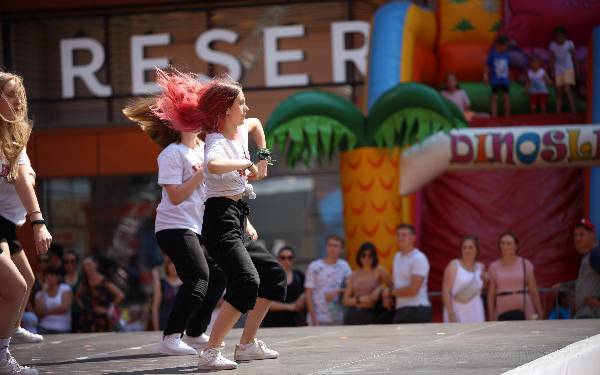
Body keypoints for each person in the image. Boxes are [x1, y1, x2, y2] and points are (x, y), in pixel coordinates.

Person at [153, 72, 285, 370]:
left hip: (238, 218)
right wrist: (247, 163)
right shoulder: (214, 141)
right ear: (226, 109)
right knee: (246, 281)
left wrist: (263, 157)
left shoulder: (238, 131)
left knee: (273, 275)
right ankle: (210, 351)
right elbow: (212, 165)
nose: (246, 108)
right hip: (220, 220)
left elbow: (257, 125)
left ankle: (247, 345)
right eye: (241, 103)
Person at [0, 70, 53, 375]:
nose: (18, 100)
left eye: (19, 94)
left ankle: (10, 332)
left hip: (6, 221)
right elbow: (21, 178)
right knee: (16, 287)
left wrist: (37, 221)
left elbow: (24, 177)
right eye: (9, 94)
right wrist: (38, 222)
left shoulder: (14, 138)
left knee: (24, 283)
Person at [487, 231, 544, 321]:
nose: (505, 246)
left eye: (509, 243)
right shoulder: (493, 266)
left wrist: (540, 312)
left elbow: (533, 290)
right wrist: (491, 317)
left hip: (525, 309)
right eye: (503, 243)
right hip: (503, 310)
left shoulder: (525, 264)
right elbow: (491, 295)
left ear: (516, 246)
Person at [383, 224, 431, 323]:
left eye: (404, 235)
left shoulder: (419, 258)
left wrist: (389, 292)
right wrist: (387, 295)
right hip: (401, 308)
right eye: (398, 235)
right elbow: (398, 283)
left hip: (417, 308)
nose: (400, 238)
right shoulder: (397, 257)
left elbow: (413, 290)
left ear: (413, 238)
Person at [554, 219, 600, 319]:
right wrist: (564, 285)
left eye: (581, 235)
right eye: (575, 235)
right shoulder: (588, 256)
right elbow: (585, 282)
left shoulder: (596, 254)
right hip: (585, 315)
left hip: (593, 317)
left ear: (592, 234)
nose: (577, 239)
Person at [305, 235, 352, 326]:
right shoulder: (314, 266)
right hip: (317, 318)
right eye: (330, 245)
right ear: (326, 247)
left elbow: (351, 287)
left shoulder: (344, 265)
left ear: (341, 249)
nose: (332, 248)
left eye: (335, 246)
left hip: (337, 317)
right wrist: (314, 319)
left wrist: (338, 291)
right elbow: (308, 294)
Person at [342, 242, 392, 325]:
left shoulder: (379, 270)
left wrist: (380, 289)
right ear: (359, 256)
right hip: (353, 313)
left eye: (370, 255)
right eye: (363, 255)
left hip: (372, 313)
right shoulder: (354, 275)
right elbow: (345, 300)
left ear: (374, 257)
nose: (366, 258)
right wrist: (361, 299)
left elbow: (392, 287)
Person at [442, 236, 487, 323]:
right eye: (464, 247)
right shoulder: (454, 265)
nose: (467, 250)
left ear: (476, 250)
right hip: (457, 309)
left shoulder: (481, 267)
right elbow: (446, 291)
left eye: (470, 247)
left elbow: (481, 291)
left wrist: (485, 281)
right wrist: (451, 314)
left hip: (476, 309)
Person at [76, 256, 124, 332]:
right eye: (84, 266)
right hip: (87, 319)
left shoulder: (104, 281)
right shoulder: (84, 282)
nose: (87, 268)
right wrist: (83, 306)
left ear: (96, 265)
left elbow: (120, 295)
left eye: (89, 265)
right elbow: (77, 296)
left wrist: (108, 309)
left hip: (102, 319)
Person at [262, 246, 306, 327]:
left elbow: (307, 292)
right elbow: (264, 302)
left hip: (295, 324)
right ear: (278, 259)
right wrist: (290, 307)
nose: (286, 260)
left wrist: (302, 298)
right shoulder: (271, 277)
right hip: (272, 325)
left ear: (293, 260)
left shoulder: (299, 276)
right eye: (283, 257)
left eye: (289, 258)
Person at [34, 267, 72, 334]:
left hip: (62, 328)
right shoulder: (40, 293)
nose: (49, 278)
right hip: (44, 327)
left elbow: (64, 307)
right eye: (47, 276)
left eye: (52, 275)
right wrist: (43, 291)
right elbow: (39, 311)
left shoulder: (65, 289)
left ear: (57, 277)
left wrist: (46, 312)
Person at [549, 26, 578, 114]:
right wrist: (552, 71)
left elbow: (574, 57)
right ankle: (558, 112)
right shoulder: (553, 45)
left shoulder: (569, 44)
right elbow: (552, 58)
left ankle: (574, 111)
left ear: (564, 36)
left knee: (567, 89)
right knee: (559, 92)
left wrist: (577, 69)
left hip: (568, 68)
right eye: (557, 36)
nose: (559, 39)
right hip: (558, 69)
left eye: (561, 36)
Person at [151, 256, 182, 331]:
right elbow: (155, 308)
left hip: (183, 325)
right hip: (165, 325)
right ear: (166, 266)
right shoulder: (161, 283)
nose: (173, 266)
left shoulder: (187, 283)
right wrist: (156, 330)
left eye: (176, 264)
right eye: (170, 264)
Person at [484, 35, 511, 117]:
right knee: (494, 97)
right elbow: (487, 66)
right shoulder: (492, 54)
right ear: (499, 45)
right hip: (495, 79)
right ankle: (494, 115)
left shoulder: (507, 55)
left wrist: (509, 77)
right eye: (504, 46)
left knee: (506, 97)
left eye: (506, 46)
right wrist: (485, 76)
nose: (505, 48)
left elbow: (507, 66)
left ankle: (507, 115)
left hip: (504, 79)